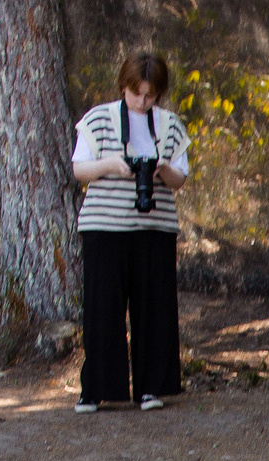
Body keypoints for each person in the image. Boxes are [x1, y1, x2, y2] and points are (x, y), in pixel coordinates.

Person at [72, 52, 192, 413]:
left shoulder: (170, 125)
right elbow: (79, 170)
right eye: (136, 93)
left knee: (154, 309)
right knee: (102, 309)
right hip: (105, 227)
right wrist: (111, 164)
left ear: (159, 93)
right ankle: (95, 389)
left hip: (155, 227)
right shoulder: (98, 119)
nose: (142, 101)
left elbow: (180, 180)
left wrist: (162, 169)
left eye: (150, 95)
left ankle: (150, 388)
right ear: (123, 87)